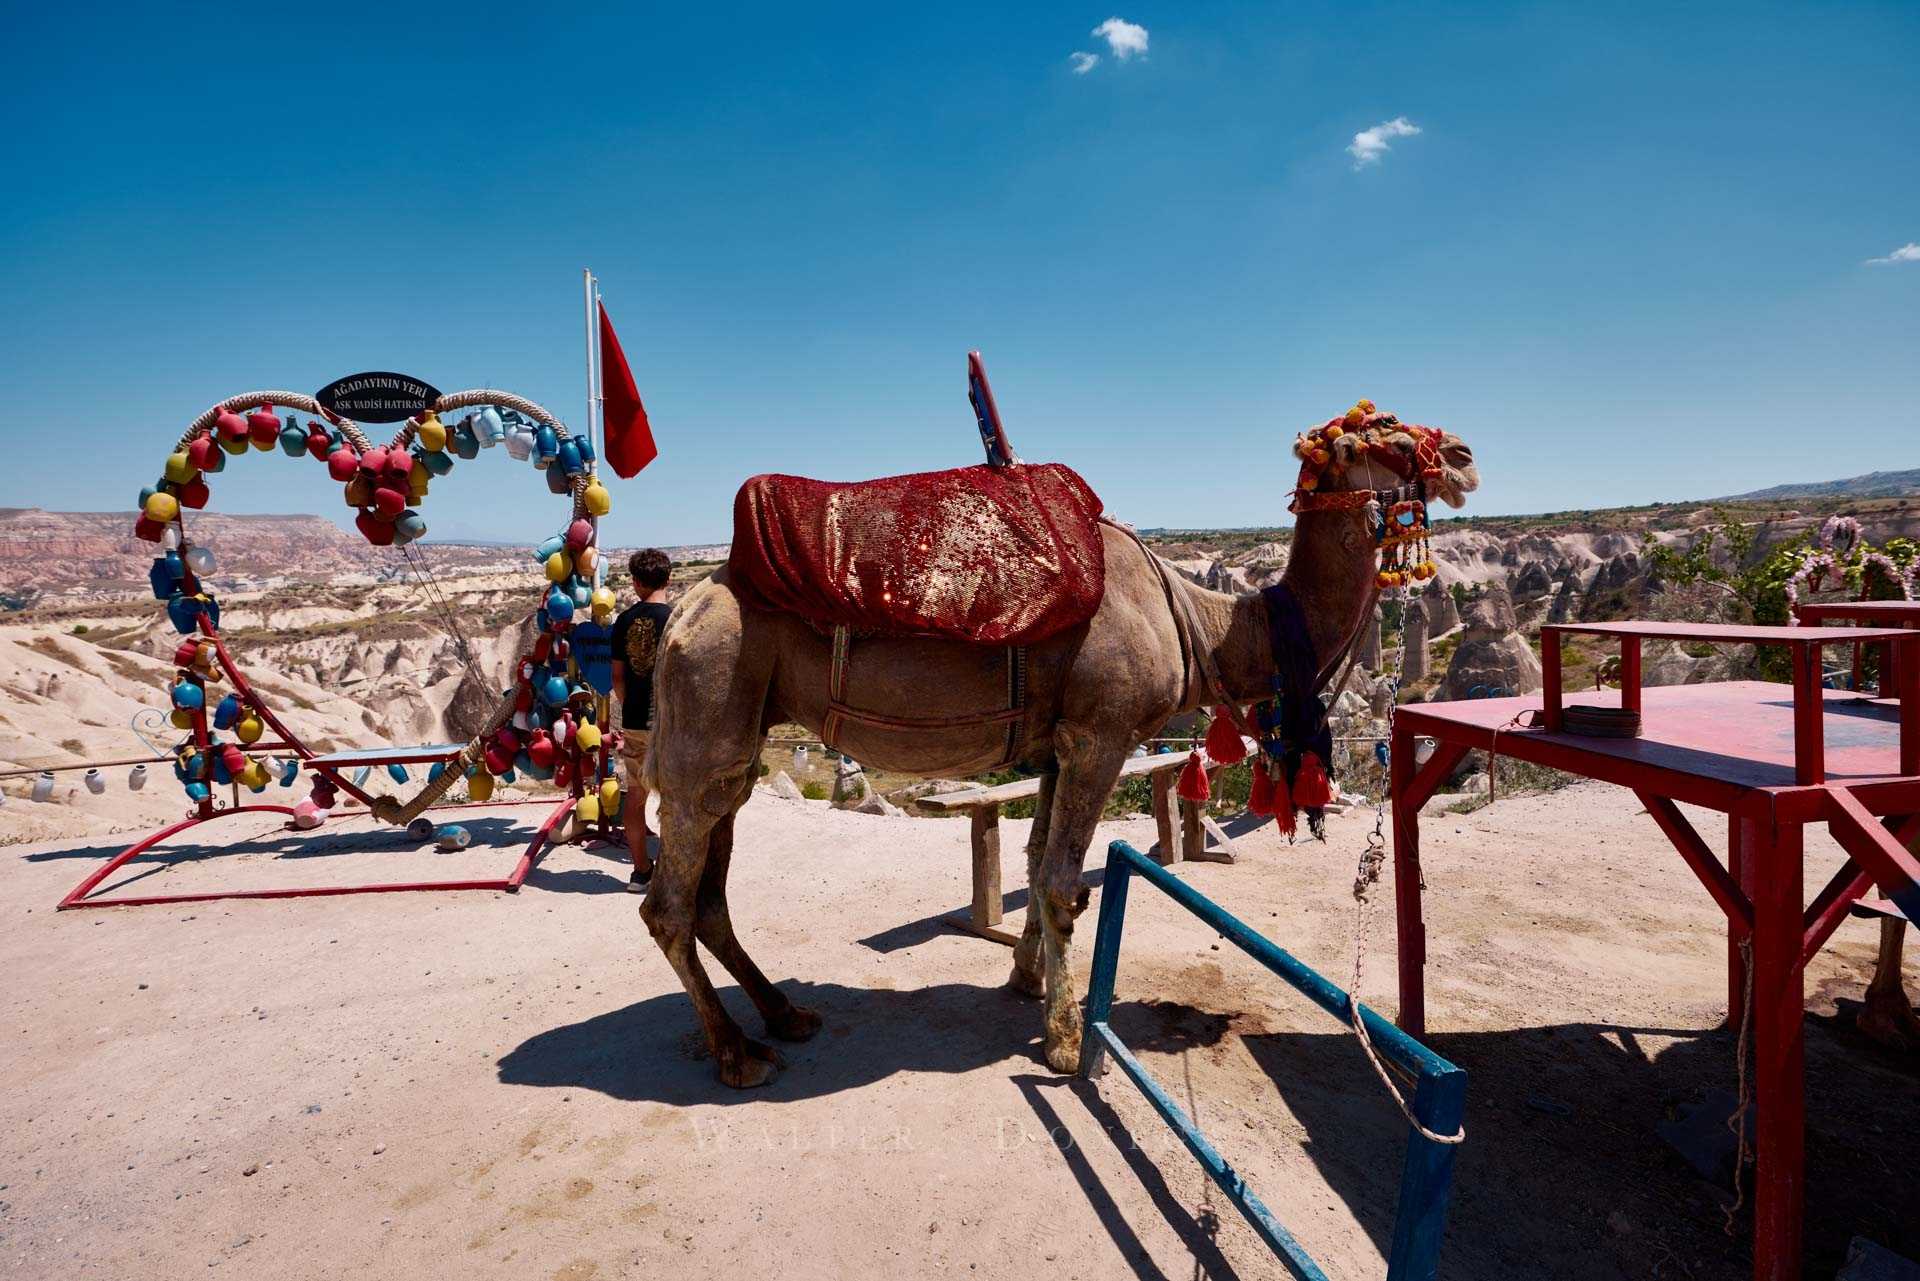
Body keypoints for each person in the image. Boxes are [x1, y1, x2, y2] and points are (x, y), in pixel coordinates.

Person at [610, 548, 672, 893]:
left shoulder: (623, 621)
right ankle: (674, 873)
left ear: (635, 582)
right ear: (669, 578)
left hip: (635, 719)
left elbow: (617, 677)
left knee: (635, 798)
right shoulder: (677, 620)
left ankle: (640, 872)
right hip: (670, 724)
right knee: (675, 798)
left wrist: (631, 704)